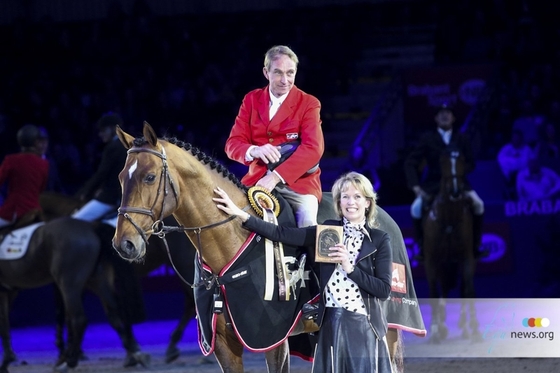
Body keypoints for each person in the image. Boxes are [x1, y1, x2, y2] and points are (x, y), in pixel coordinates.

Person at [213, 172, 393, 373]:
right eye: (345, 196)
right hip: (331, 323)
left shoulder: (379, 239)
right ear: (339, 202)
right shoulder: (328, 231)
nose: (351, 202)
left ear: (368, 203)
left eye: (357, 197)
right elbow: (283, 234)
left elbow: (383, 290)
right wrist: (240, 214)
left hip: (364, 325)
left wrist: (348, 267)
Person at [224, 45, 324, 228]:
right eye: (278, 73)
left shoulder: (309, 103)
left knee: (308, 223)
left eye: (290, 73)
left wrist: (276, 177)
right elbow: (232, 144)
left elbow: (313, 149)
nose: (285, 80)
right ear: (266, 72)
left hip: (299, 184)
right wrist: (254, 150)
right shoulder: (251, 100)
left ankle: (311, 258)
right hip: (256, 180)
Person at [404, 104, 486, 260]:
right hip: (434, 184)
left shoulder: (462, 138)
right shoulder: (428, 139)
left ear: (453, 118)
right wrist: (415, 186)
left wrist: (458, 172)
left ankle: (476, 245)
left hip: (459, 183)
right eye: (441, 113)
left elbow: (471, 162)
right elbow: (410, 162)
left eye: (448, 113)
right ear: (436, 118)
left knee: (479, 204)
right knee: (415, 207)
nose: (444, 116)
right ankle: (421, 247)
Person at [72, 112, 127, 221]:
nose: (100, 134)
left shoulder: (113, 147)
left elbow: (102, 173)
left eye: (103, 131)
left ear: (113, 129)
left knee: (75, 221)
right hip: (125, 197)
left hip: (111, 197)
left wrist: (85, 192)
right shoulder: (126, 144)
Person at [0, 124, 50, 229]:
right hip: (35, 211)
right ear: (36, 142)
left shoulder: (11, 160)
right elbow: (41, 189)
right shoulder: (44, 164)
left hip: (15, 210)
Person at [497, 129, 534, 199]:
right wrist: (514, 164)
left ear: (521, 139)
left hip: (524, 173)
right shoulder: (506, 148)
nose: (516, 139)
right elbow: (501, 160)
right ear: (512, 138)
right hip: (508, 173)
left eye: (518, 138)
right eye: (514, 138)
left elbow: (530, 160)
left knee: (521, 175)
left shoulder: (527, 149)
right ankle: (510, 192)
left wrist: (517, 163)